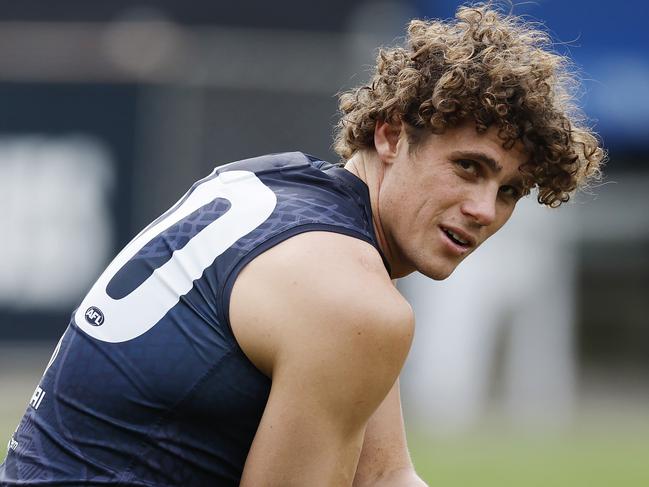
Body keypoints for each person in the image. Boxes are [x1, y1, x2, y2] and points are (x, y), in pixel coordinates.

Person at [0, 4, 604, 486]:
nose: (483, 209)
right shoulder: (347, 299)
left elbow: (384, 475)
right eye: (469, 167)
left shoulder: (281, 187)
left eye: (509, 192)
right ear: (391, 135)